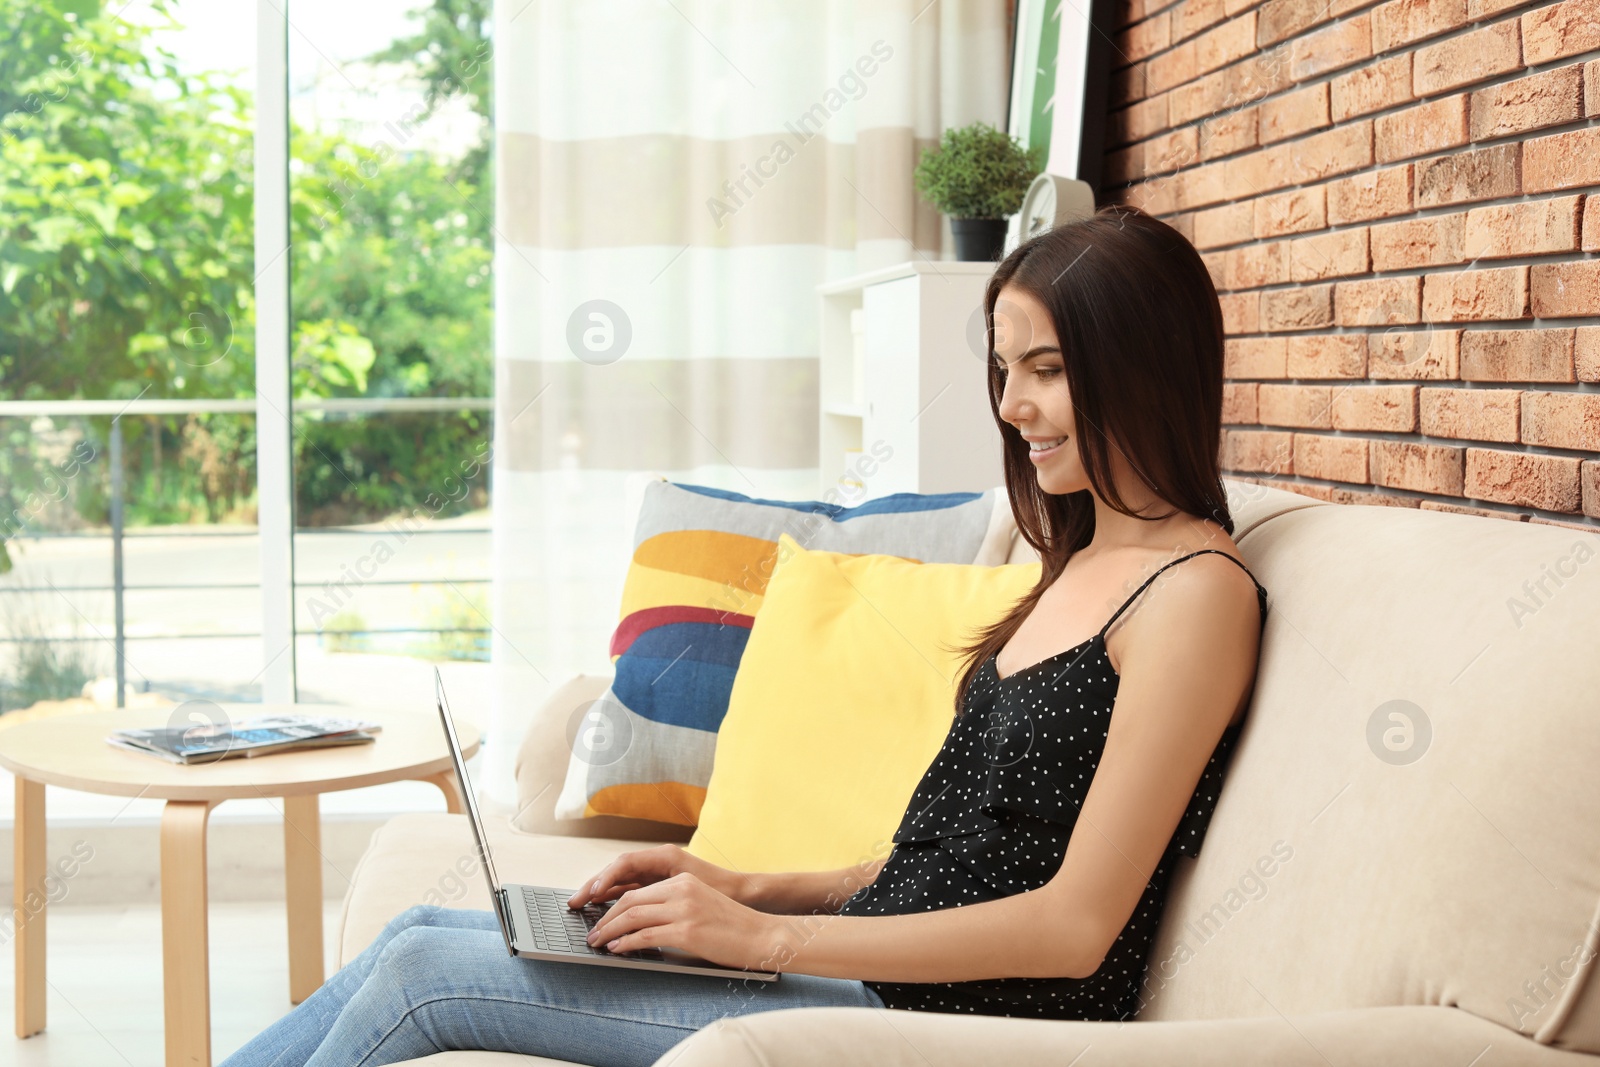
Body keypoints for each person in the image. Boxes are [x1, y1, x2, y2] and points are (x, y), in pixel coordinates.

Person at [219, 203, 1269, 1067]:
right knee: (417, 933)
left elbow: (1074, 925)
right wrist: (737, 881)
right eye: (1002, 370)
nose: (1012, 405)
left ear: (1141, 363)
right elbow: (945, 860)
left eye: (1043, 368)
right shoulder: (1073, 564)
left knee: (420, 977)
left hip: (944, 1025)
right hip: (874, 976)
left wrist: (763, 939)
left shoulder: (1193, 594)